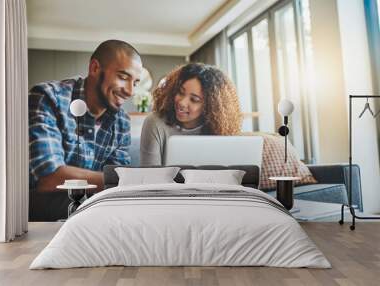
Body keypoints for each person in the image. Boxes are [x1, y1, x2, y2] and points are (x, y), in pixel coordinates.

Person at [29, 40, 143, 193]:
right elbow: (49, 178)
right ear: (95, 68)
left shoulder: (122, 121)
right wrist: (129, 181)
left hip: (97, 209)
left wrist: (125, 182)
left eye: (135, 83)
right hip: (47, 211)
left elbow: (118, 180)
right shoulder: (48, 97)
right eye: (123, 77)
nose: (130, 91)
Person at [140, 63, 242, 166]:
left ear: (210, 106)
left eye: (194, 99)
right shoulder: (155, 123)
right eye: (180, 92)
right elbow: (150, 175)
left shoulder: (218, 129)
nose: (182, 103)